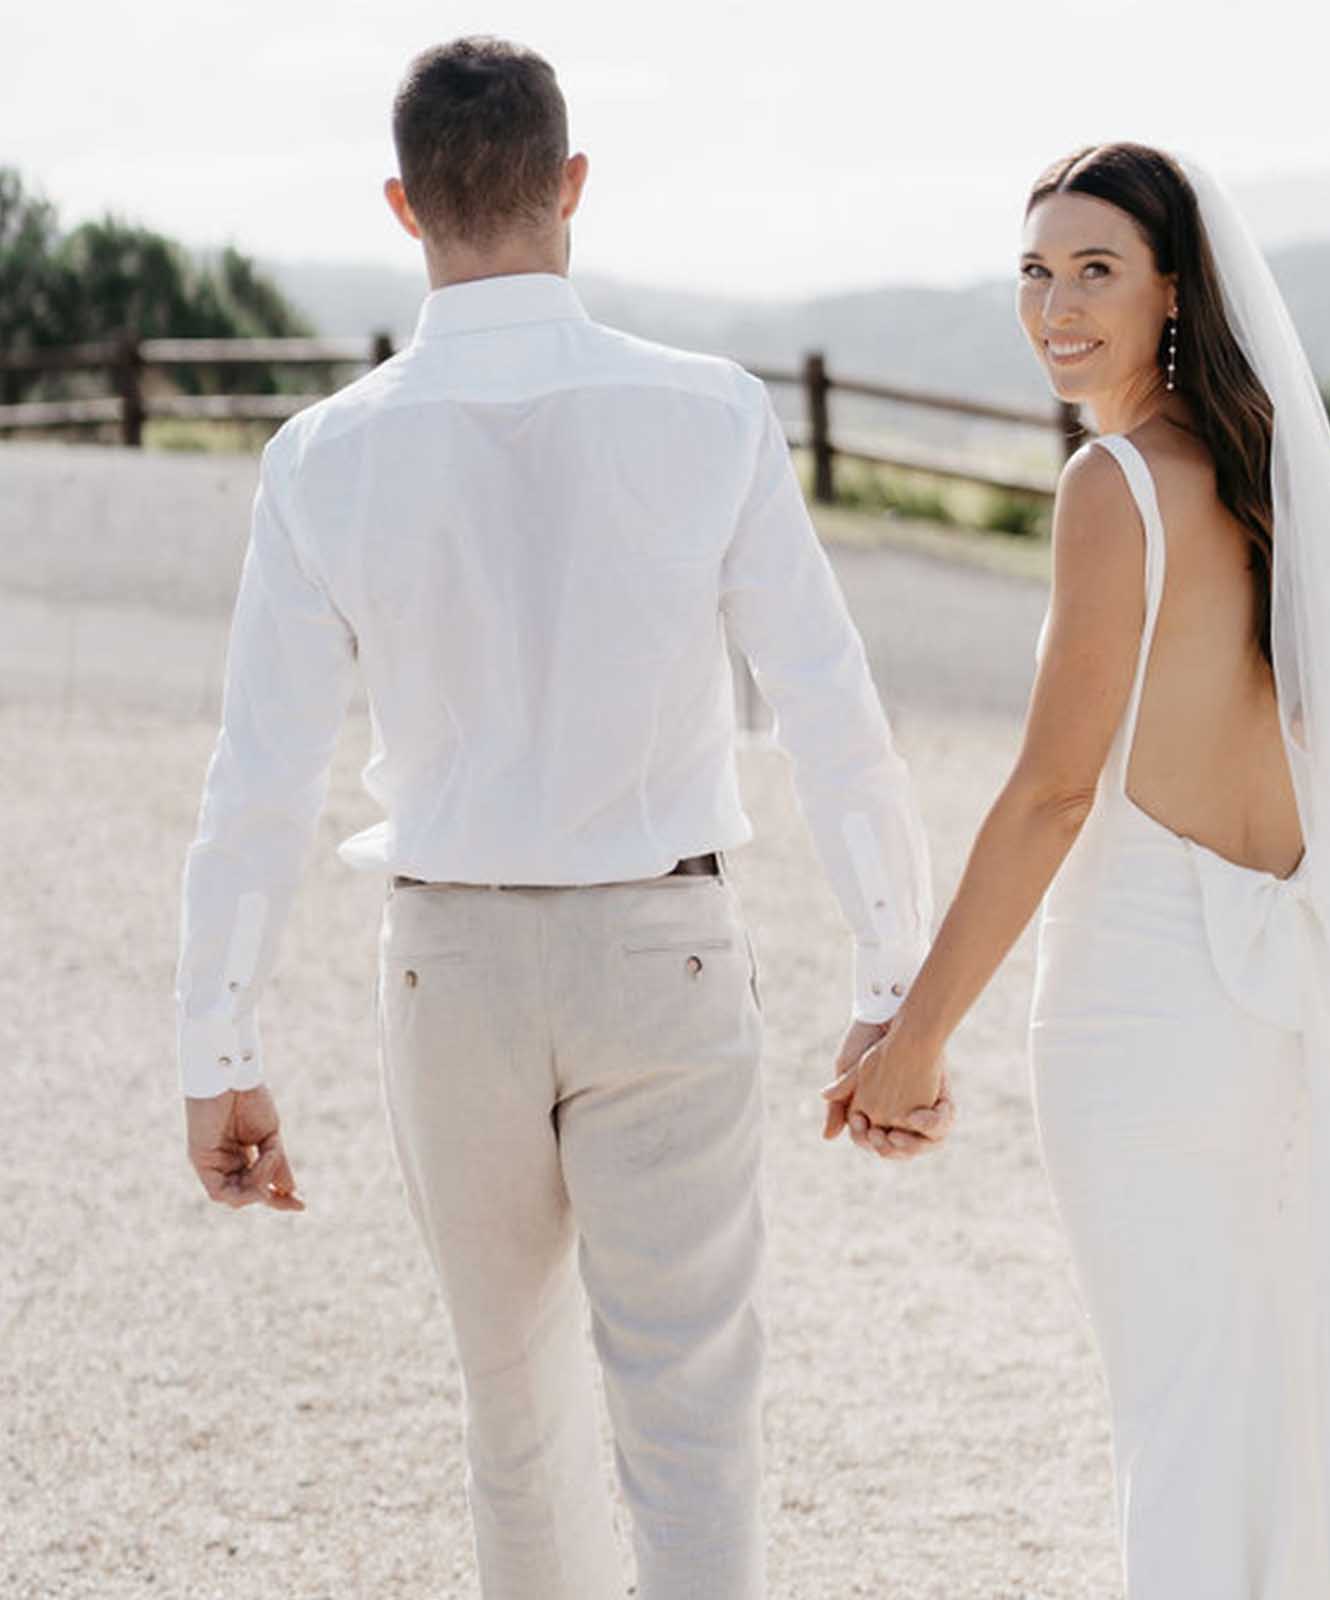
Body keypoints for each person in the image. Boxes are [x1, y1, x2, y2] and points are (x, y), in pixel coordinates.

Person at [823, 143, 1330, 1595]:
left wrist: (916, 1039)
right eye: (1036, 271)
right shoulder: (1276, 490)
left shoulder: (1114, 488)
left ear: (1171, 295)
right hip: (1278, 1010)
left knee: (1185, 1421)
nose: (1055, 306)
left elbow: (1052, 794)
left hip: (1142, 1022)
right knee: (1293, 1412)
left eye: (1096, 271)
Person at [172, 36, 949, 1599]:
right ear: (572, 184)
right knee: (693, 1415)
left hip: (446, 968)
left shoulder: (322, 455)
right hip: (663, 951)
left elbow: (259, 784)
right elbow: (829, 711)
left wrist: (219, 1052)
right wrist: (890, 990)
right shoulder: (712, 414)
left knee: (511, 1418)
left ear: (403, 204)